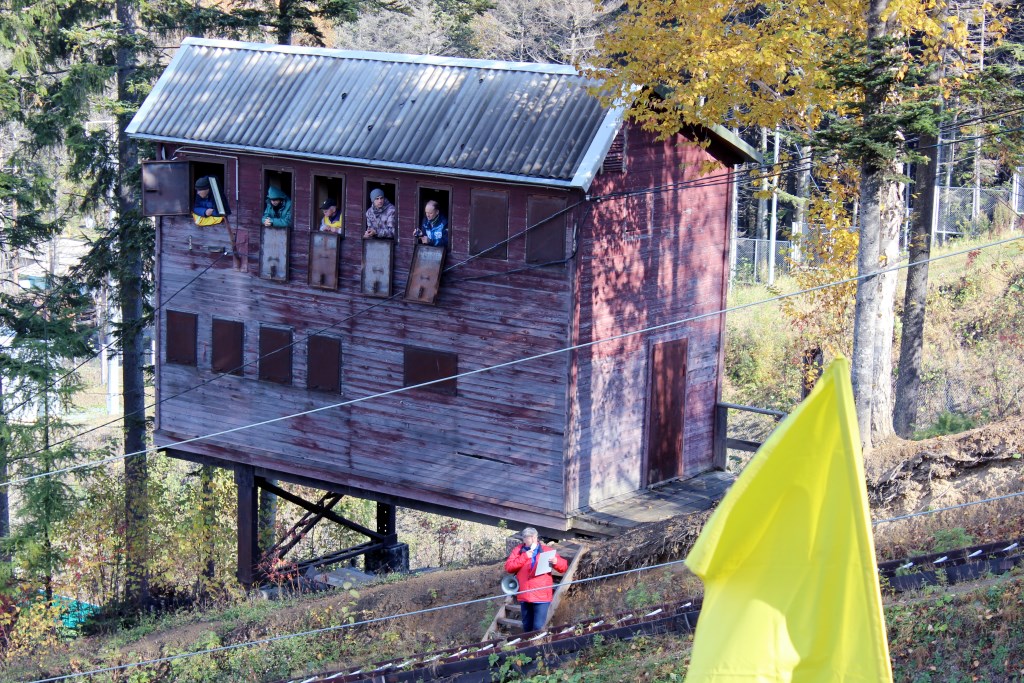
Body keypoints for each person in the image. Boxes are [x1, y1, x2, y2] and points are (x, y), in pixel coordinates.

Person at [504, 527, 567, 633]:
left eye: (533, 537)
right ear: (523, 539)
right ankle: (528, 646)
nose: (532, 540)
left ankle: (538, 646)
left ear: (536, 537)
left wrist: (556, 561)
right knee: (527, 626)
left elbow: (563, 567)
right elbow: (509, 567)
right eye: (529, 538)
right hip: (525, 594)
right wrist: (524, 557)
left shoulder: (547, 550)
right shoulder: (519, 550)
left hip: (541, 594)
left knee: (538, 626)